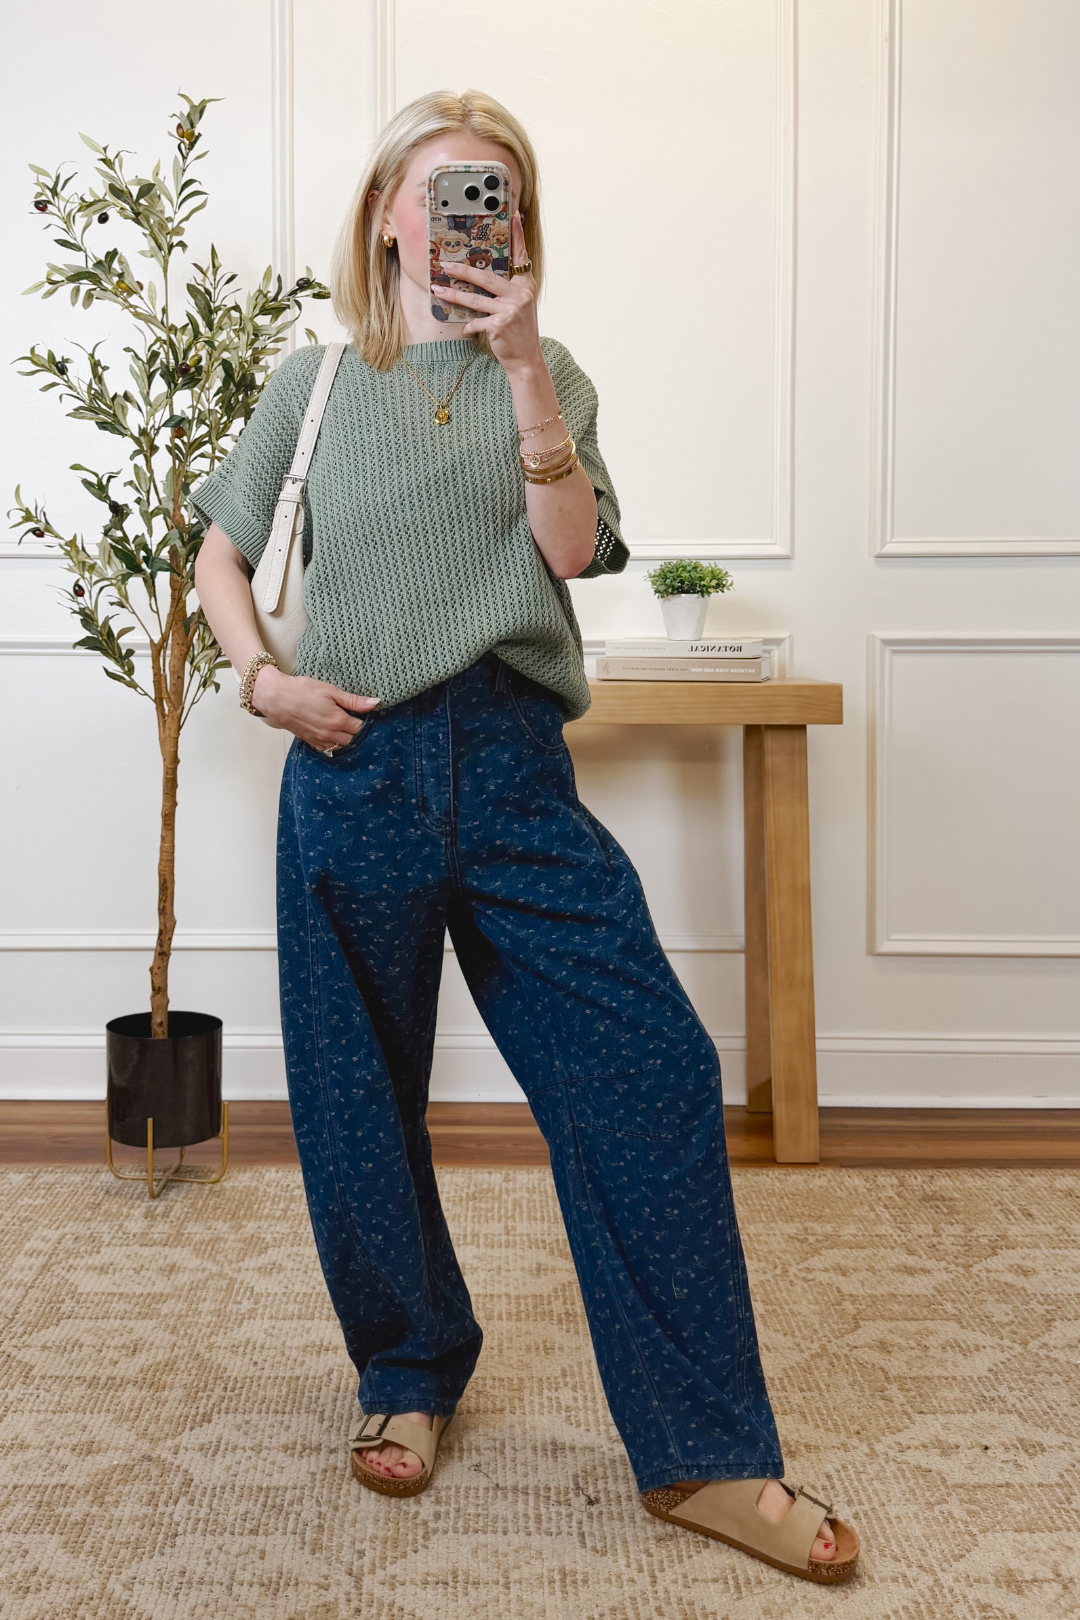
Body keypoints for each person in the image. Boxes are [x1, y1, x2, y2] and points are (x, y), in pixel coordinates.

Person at [191, 88, 859, 1586]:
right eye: (444, 189)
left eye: (495, 192)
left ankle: (707, 1452)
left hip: (508, 766)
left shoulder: (549, 375)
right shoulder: (312, 383)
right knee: (356, 1096)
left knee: (651, 1071)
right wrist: (261, 680)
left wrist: (520, 371)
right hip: (351, 759)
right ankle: (407, 1369)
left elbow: (574, 549)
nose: (469, 215)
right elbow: (221, 553)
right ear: (389, 216)